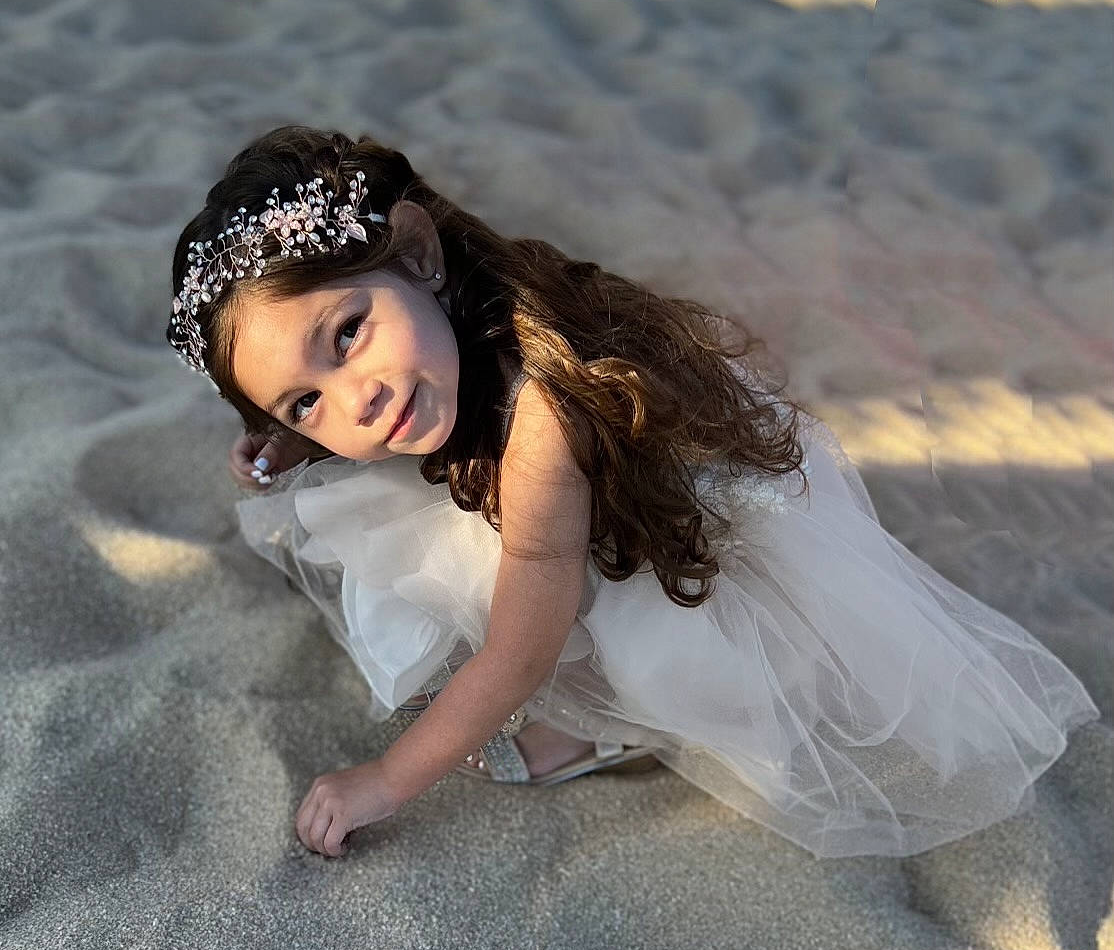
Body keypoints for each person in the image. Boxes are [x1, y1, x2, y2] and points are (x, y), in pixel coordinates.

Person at [167, 124, 1100, 861]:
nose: (356, 396)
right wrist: (292, 443)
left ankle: (598, 732)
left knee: (538, 610)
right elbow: (348, 397)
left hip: (682, 557)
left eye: (348, 333)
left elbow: (517, 653)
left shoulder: (543, 420)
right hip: (572, 514)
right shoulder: (448, 336)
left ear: (416, 254)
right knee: (376, 502)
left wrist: (385, 778)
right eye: (304, 397)